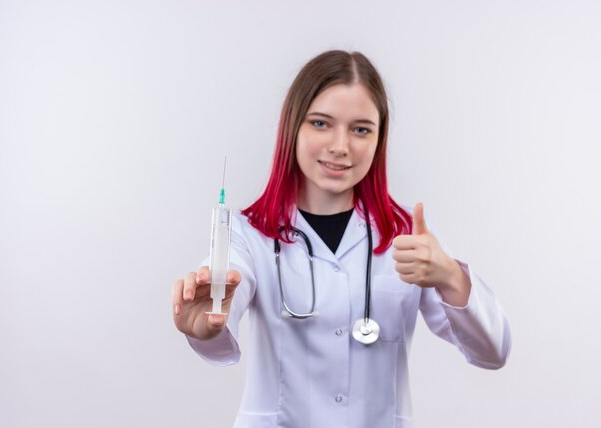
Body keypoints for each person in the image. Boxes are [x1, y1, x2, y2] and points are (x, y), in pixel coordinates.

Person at [172, 50, 511, 428]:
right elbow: (222, 291)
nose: (341, 146)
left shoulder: (409, 238)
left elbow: (492, 351)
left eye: (361, 129)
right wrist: (206, 323)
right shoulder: (248, 234)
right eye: (321, 123)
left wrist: (450, 276)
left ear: (379, 138)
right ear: (292, 128)